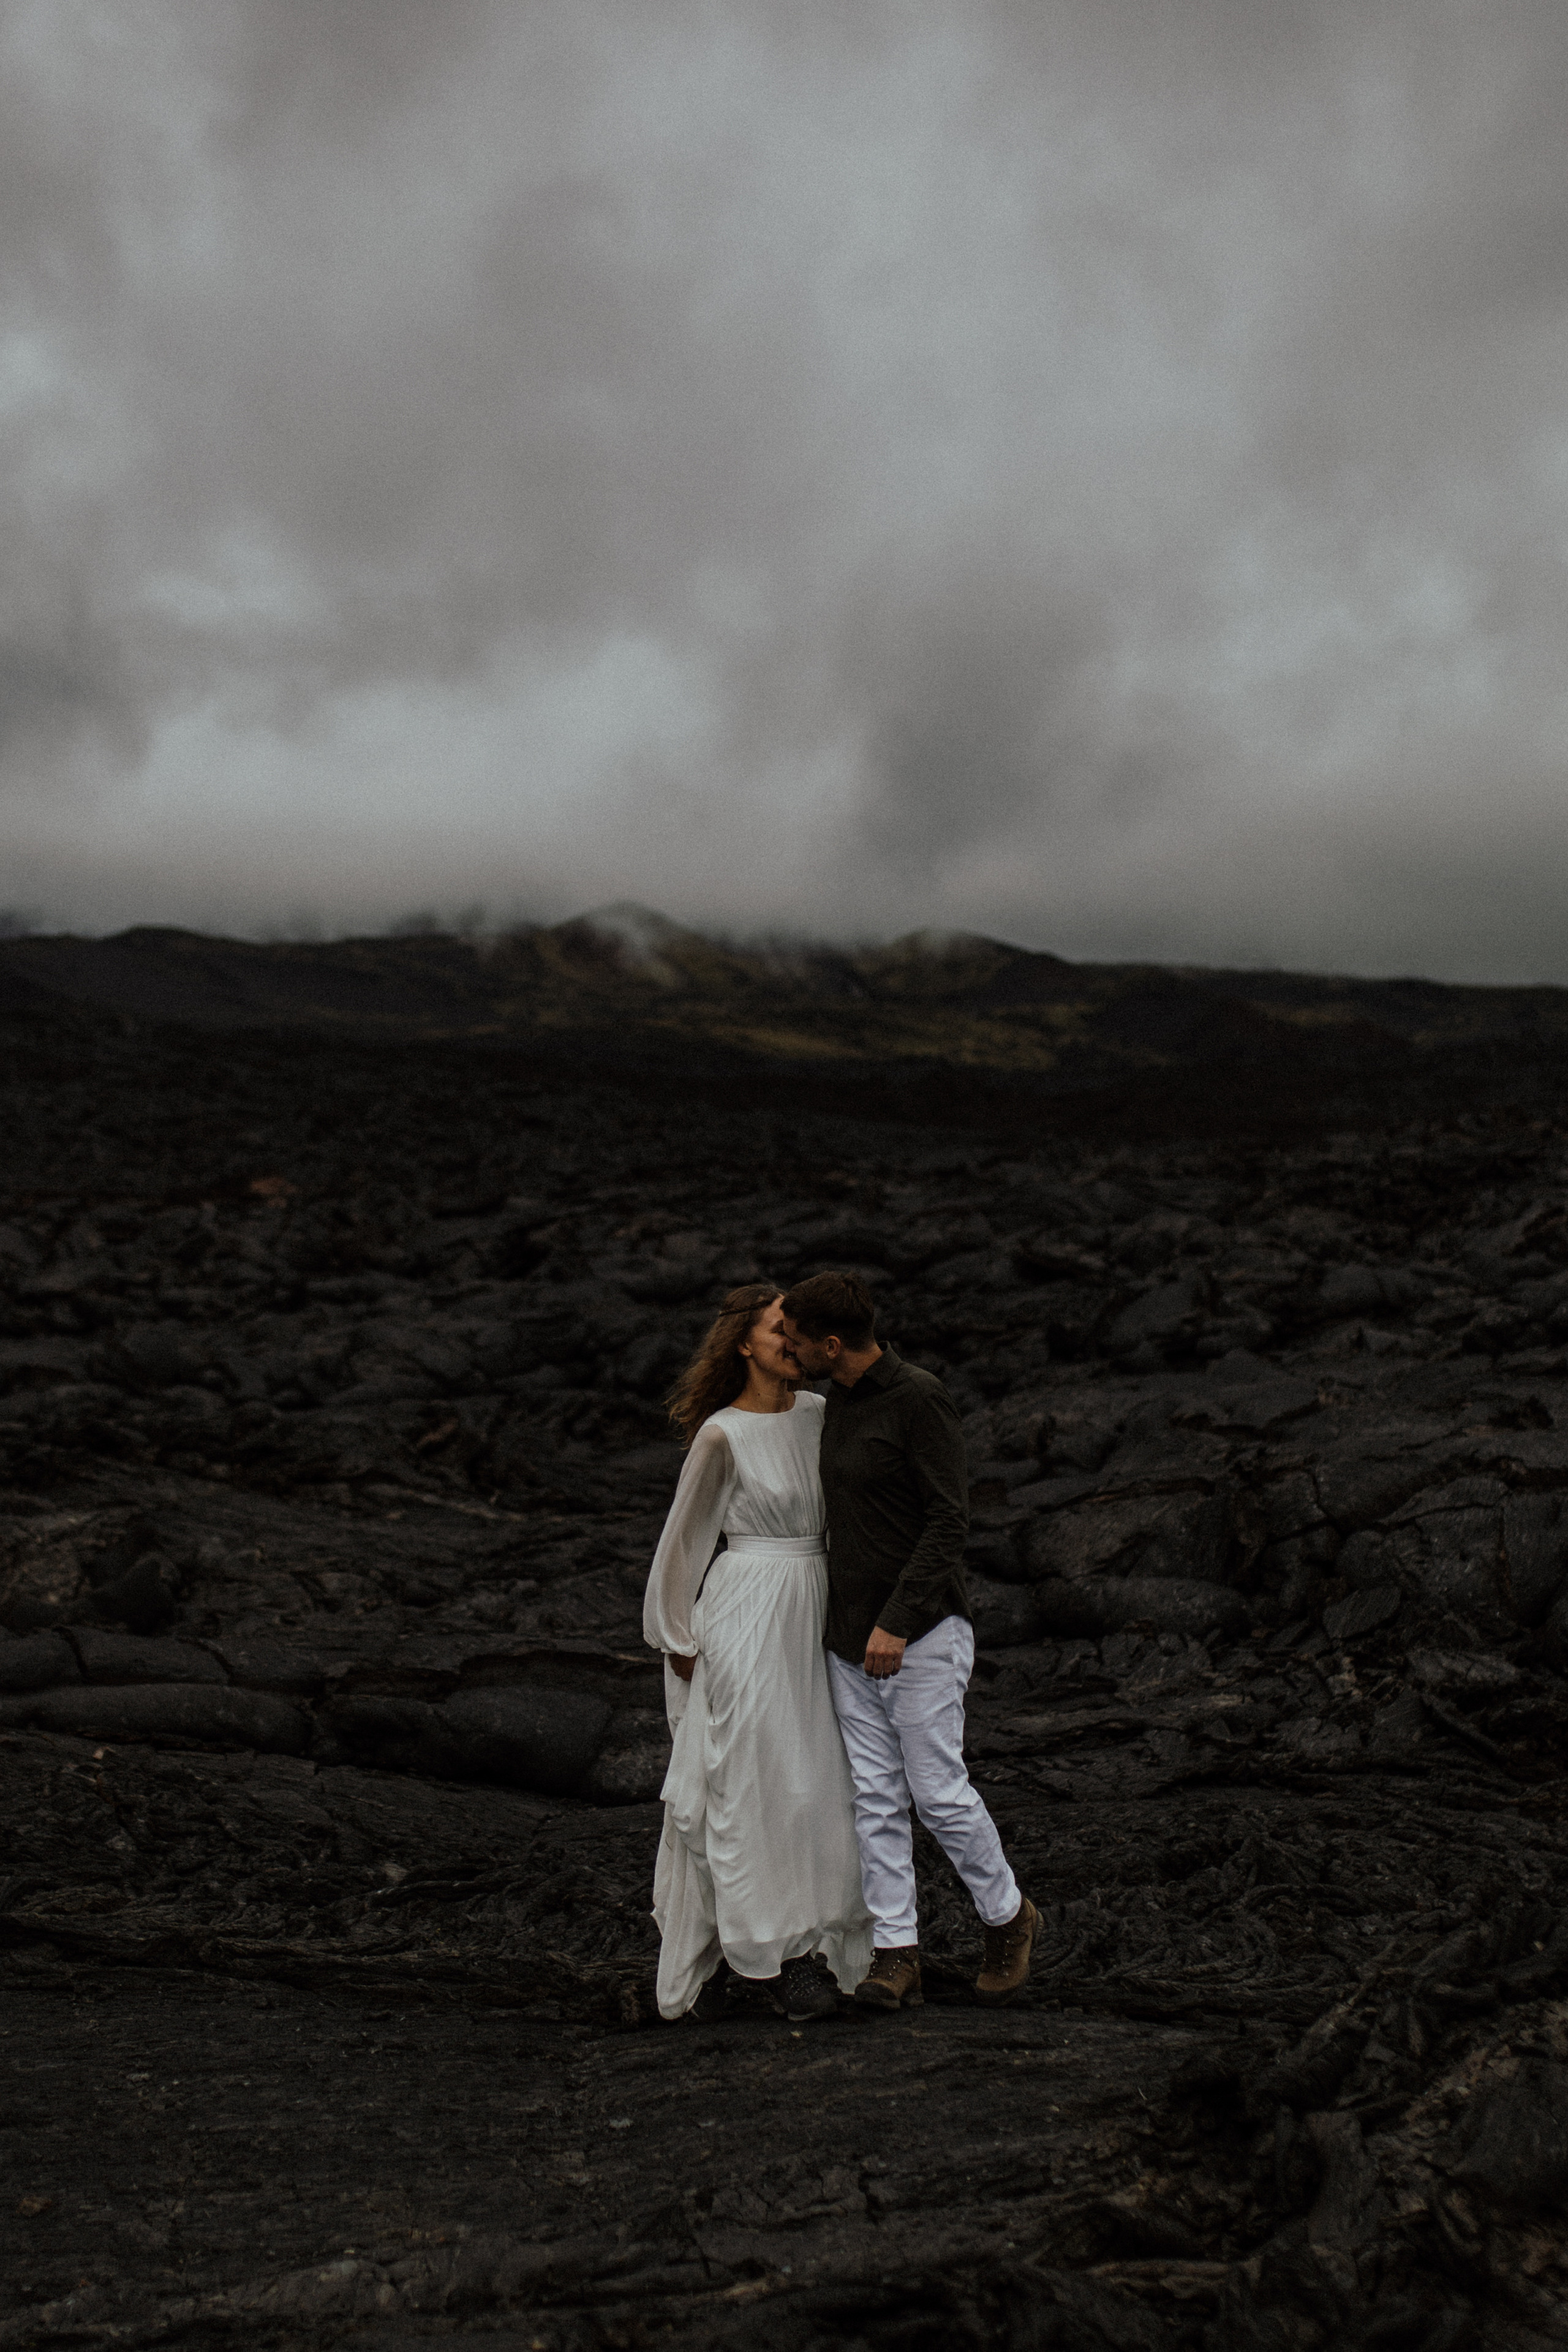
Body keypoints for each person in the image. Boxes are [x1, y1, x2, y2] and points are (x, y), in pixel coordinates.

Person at [778, 1270, 1038, 2010]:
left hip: (921, 1634)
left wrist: (896, 1621)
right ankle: (896, 1954)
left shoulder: (919, 1398)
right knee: (875, 1799)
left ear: (833, 1343)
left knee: (938, 1795)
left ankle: (1008, 1918)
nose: (791, 1352)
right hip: (848, 1639)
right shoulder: (834, 1403)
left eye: (798, 1342)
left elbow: (949, 1520)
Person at [643, 1281, 872, 2024]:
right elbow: (684, 1540)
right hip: (747, 1610)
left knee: (816, 1786)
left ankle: (802, 1946)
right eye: (778, 1327)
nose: (791, 1339)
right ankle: (763, 1959)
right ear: (744, 1343)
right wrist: (678, 1638)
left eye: (796, 1328)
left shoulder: (818, 1414)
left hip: (817, 1606)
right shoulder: (722, 1434)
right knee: (747, 1783)